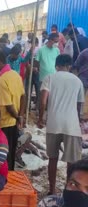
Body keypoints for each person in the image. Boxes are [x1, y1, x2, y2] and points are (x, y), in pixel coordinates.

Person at [38, 54, 84, 195]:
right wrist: (77, 120)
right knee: (72, 162)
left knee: (53, 159)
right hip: (71, 126)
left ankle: (51, 190)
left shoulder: (50, 78)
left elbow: (43, 101)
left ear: (56, 65)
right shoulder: (77, 81)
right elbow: (79, 105)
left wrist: (41, 118)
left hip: (53, 124)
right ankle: (68, 190)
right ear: (69, 66)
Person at [0, 51, 26, 170]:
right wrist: (20, 116)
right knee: (10, 152)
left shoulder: (1, 81)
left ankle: (5, 179)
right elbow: (23, 96)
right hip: (14, 123)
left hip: (5, 123)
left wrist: (17, 117)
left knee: (3, 155)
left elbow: (8, 106)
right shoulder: (15, 74)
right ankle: (10, 176)